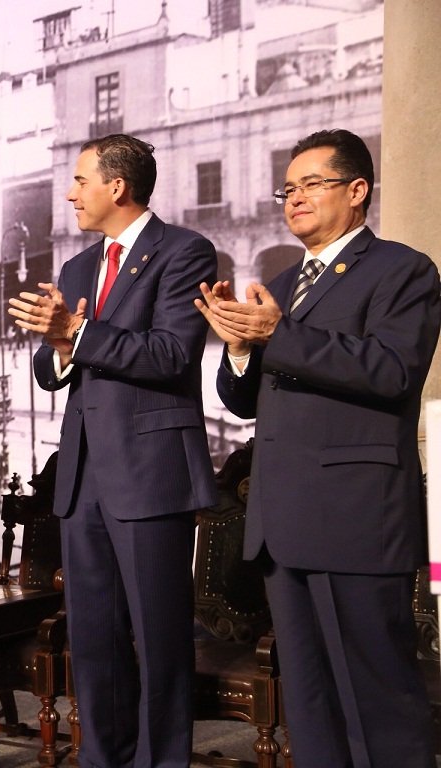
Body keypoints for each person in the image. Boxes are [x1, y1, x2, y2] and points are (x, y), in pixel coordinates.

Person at [196, 128, 439, 767]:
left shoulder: (403, 270)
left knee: (378, 705)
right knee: (309, 705)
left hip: (354, 518)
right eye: (288, 188)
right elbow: (245, 402)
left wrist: (279, 334)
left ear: (357, 191)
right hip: (284, 524)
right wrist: (240, 349)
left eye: (312, 184)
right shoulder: (282, 282)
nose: (295, 198)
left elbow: (393, 371)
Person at [8, 134, 217, 768]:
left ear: (117, 186)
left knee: (158, 639)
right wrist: (60, 345)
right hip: (82, 478)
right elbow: (50, 369)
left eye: (80, 181)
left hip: (151, 472)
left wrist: (77, 331)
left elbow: (172, 354)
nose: (70, 194)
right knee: (94, 639)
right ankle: (103, 758)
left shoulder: (184, 251)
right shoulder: (76, 269)